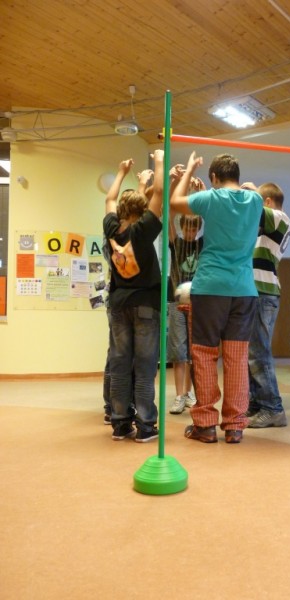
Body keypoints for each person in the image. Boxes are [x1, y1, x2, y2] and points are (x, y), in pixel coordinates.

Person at [170, 151, 263, 443]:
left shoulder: (210, 198)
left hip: (210, 287)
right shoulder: (256, 200)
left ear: (213, 177)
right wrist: (249, 187)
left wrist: (189, 171)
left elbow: (175, 202)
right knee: (236, 357)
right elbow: (254, 190)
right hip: (244, 290)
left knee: (204, 354)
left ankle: (206, 425)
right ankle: (234, 427)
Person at [103, 152, 163, 442]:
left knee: (119, 364)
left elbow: (109, 199)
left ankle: (120, 422)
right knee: (145, 365)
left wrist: (121, 172)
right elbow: (159, 193)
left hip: (118, 306)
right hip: (146, 305)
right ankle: (146, 425)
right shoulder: (142, 231)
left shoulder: (112, 229)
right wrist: (159, 162)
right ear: (142, 211)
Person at [240, 181, 290, 428]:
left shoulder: (280, 218)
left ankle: (273, 408)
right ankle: (257, 404)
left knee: (259, 352)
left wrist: (251, 191)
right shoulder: (268, 226)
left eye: (259, 201)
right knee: (252, 353)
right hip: (257, 292)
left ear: (268, 202)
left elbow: (256, 210)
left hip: (264, 292)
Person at [167, 166, 204, 414]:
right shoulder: (176, 242)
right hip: (176, 302)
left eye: (194, 228)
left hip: (197, 303)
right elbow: (169, 214)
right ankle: (179, 395)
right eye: (187, 228)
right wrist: (176, 184)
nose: (190, 233)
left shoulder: (203, 244)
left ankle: (189, 393)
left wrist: (201, 194)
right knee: (178, 351)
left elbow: (213, 218)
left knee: (193, 351)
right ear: (182, 227)